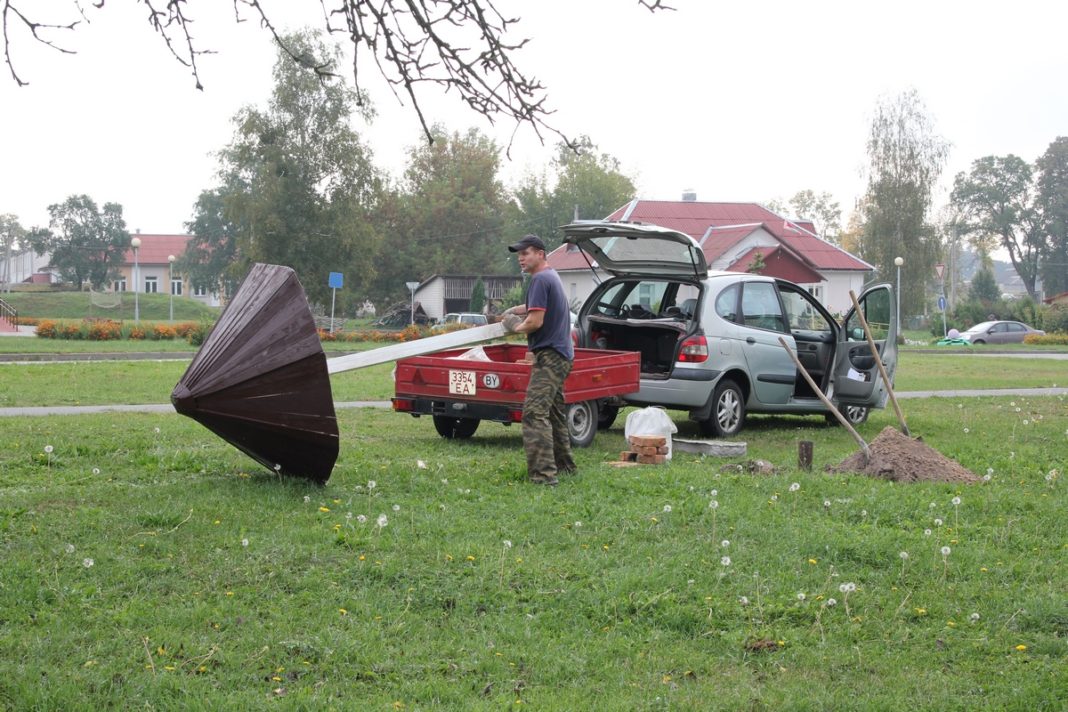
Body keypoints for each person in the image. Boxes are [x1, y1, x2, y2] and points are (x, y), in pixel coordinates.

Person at [501, 234, 576, 486]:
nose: (520, 258)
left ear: (541, 254)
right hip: (561, 354)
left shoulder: (540, 279)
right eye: (519, 254)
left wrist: (513, 325)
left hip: (551, 356)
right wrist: (514, 309)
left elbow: (535, 322)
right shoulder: (548, 276)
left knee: (534, 414)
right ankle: (565, 468)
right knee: (554, 414)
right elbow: (535, 307)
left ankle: (543, 476)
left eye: (526, 253)